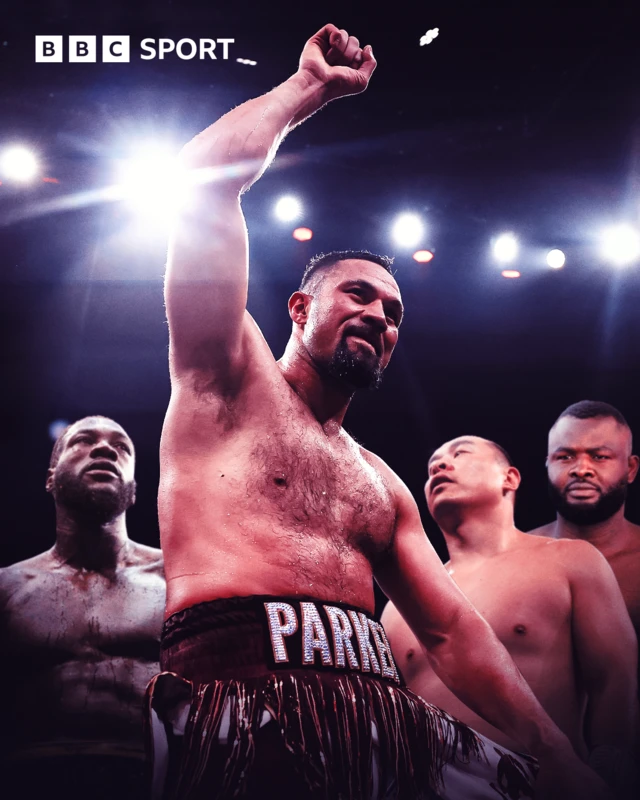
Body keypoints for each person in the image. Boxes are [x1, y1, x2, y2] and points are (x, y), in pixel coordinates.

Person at [148, 23, 610, 800]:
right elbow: (201, 184)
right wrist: (310, 89)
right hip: (241, 700)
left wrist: (556, 750)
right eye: (357, 294)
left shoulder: (381, 484)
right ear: (299, 307)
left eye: (393, 313)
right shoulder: (225, 376)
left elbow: (451, 630)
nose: (378, 316)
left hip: (376, 724)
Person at [382, 435, 638, 796]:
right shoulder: (398, 607)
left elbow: (614, 678)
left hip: (541, 780)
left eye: (461, 453)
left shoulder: (569, 560)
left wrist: (609, 776)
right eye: (431, 466)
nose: (439, 466)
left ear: (510, 478)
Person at [0, 415, 165, 800]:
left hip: (154, 779)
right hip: (27, 778)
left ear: (134, 489)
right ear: (50, 477)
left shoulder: (175, 582)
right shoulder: (7, 587)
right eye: (83, 441)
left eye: (122, 447)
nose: (106, 449)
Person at [529, 401, 640, 651]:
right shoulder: (515, 558)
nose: (581, 470)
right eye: (565, 457)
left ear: (630, 469)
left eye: (599, 456)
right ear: (548, 464)